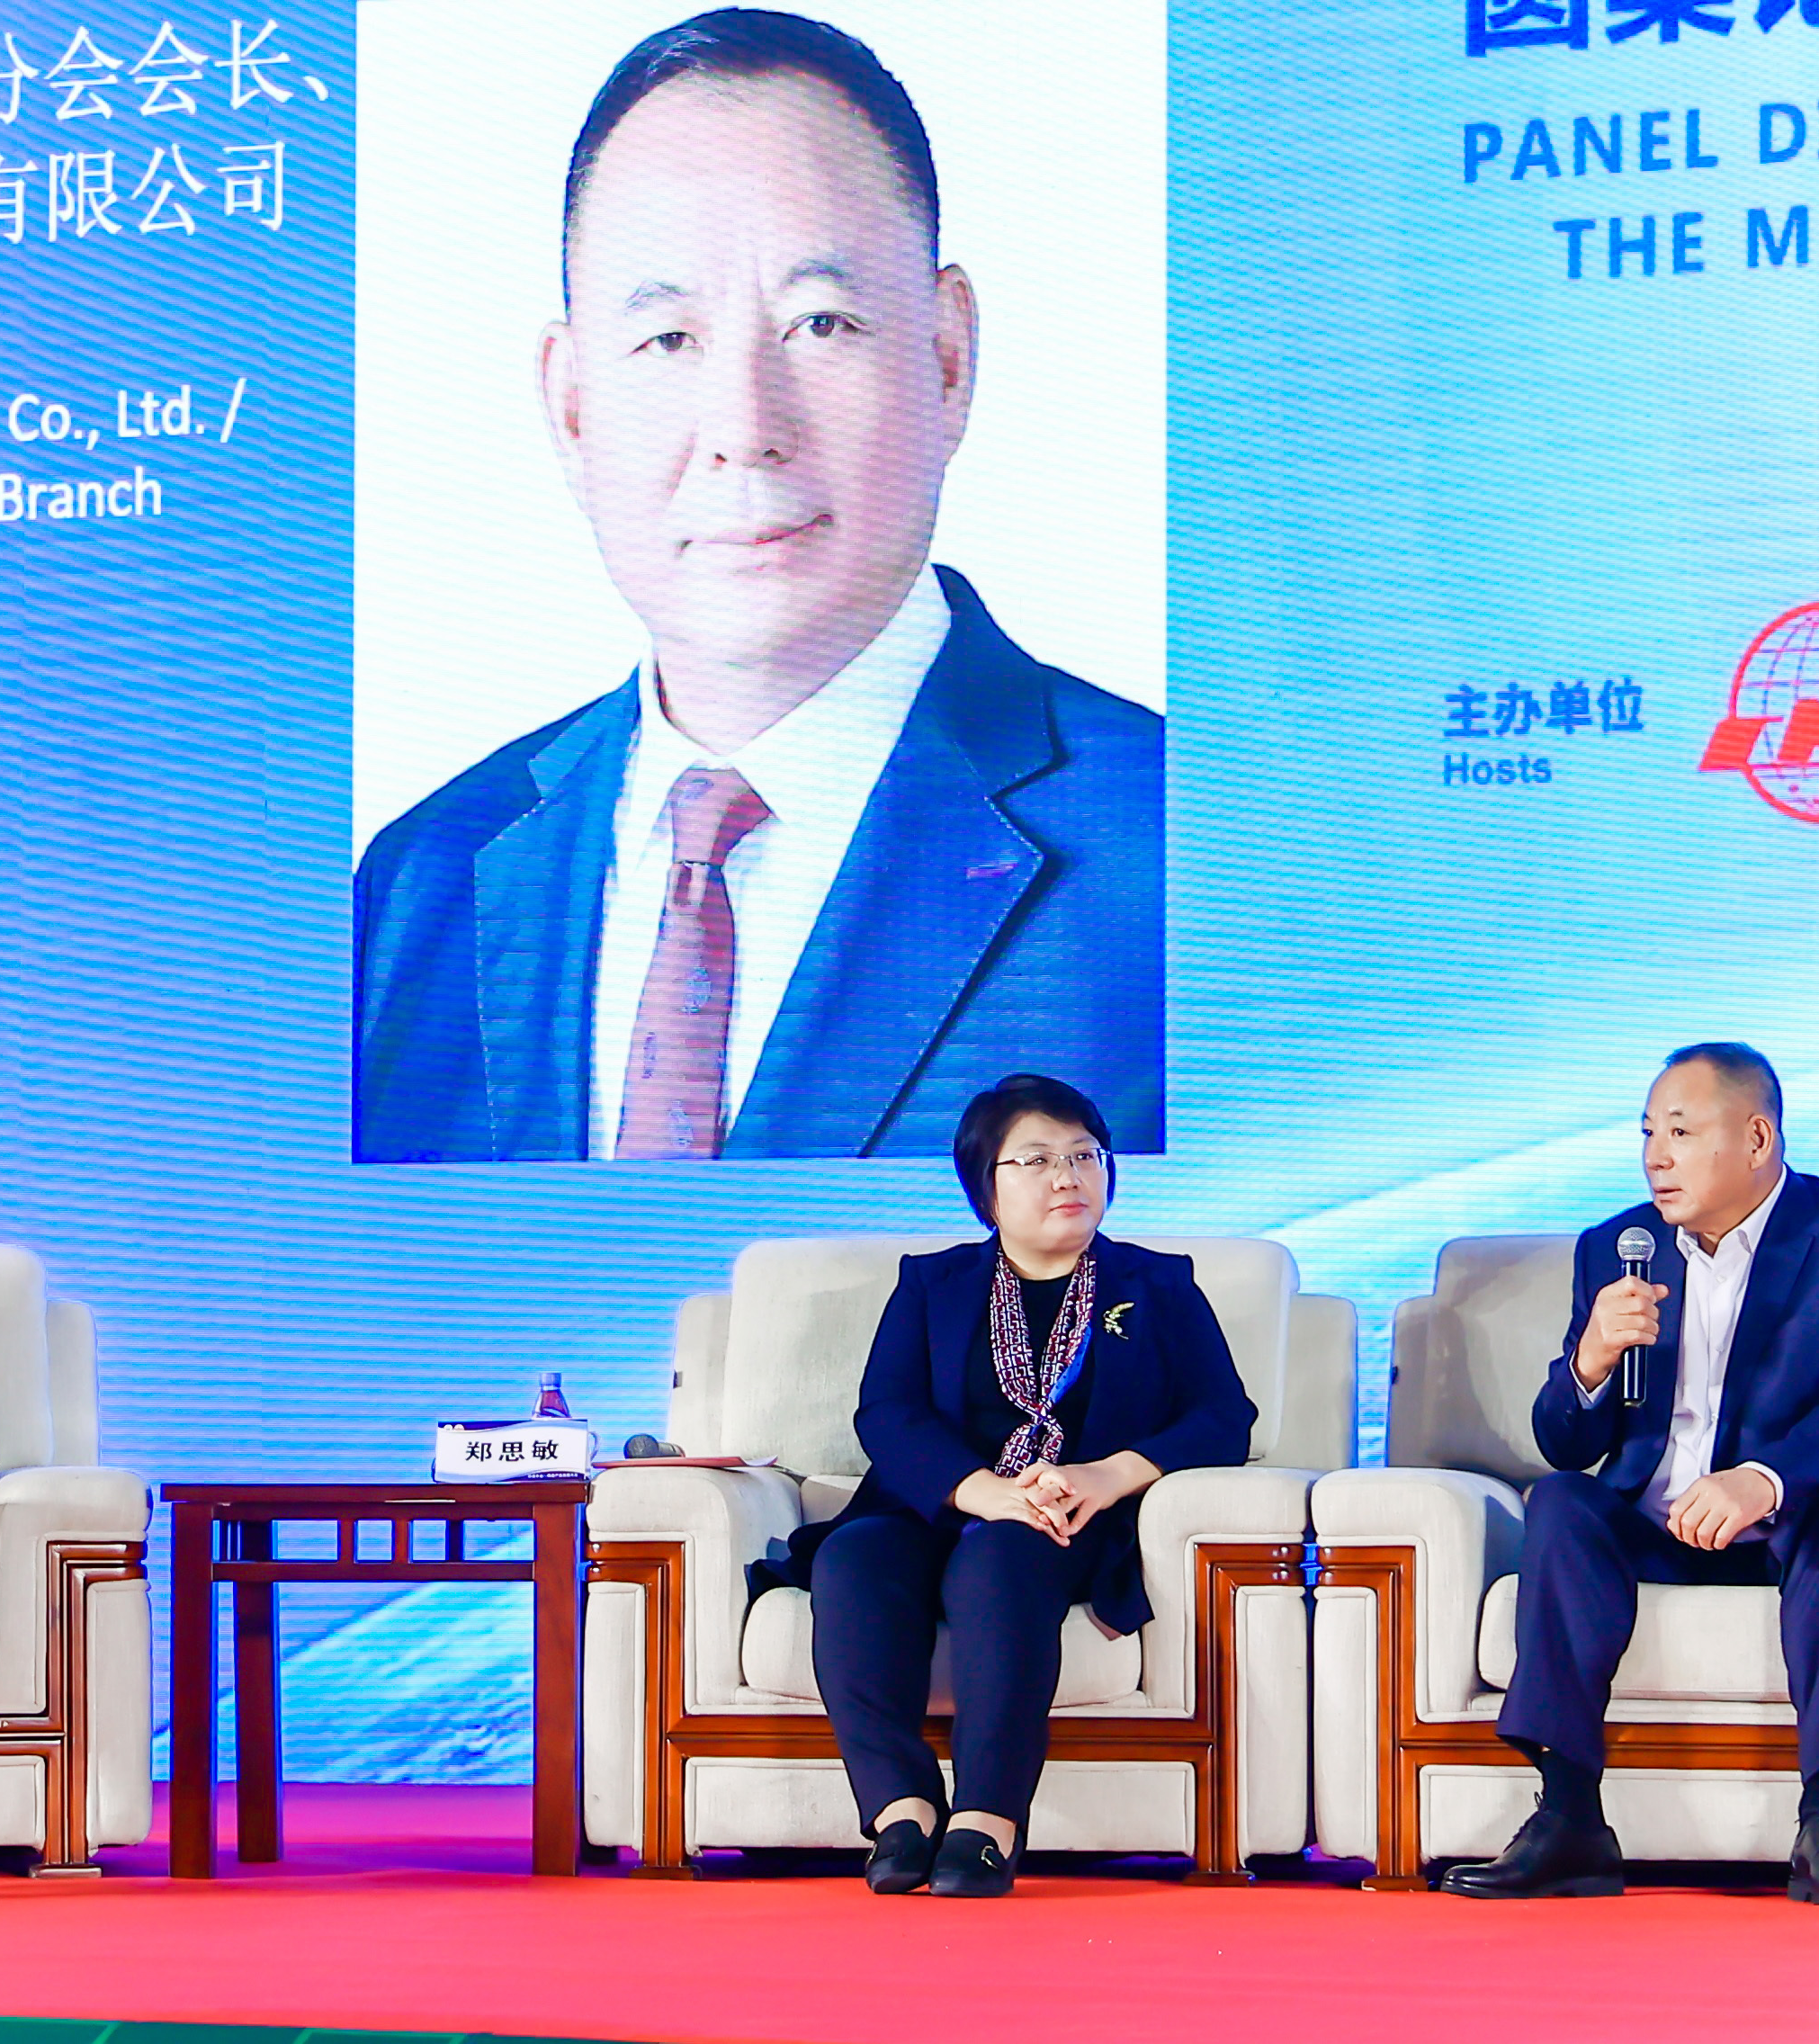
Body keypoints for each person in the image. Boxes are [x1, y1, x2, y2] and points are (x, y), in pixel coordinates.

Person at [352, 8, 1162, 1163]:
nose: (742, 427)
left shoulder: (1181, 856)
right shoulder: (417, 886)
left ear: (948, 359)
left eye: (818, 324)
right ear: (572, 408)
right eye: (668, 339)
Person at [752, 1073, 1254, 1895]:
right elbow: (887, 1412)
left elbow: (1223, 1417)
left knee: (999, 1559)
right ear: (985, 1186)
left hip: (1071, 1521)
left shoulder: (1157, 1285)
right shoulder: (934, 1284)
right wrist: (979, 1489)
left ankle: (987, 1820)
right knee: (854, 1560)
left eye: (1085, 1156)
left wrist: (1108, 1475)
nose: (1068, 1177)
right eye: (1038, 1160)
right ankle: (901, 1810)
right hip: (938, 1504)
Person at [1441, 1044, 1819, 1906]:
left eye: (1683, 1133)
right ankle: (1569, 1817)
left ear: (1757, 1137)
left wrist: (1762, 1478)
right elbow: (1564, 1443)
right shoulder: (1616, 1248)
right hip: (1655, 1522)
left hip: (1788, 1520)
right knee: (1563, 1503)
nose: (1657, 1156)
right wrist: (1589, 1359)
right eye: (1648, 1133)